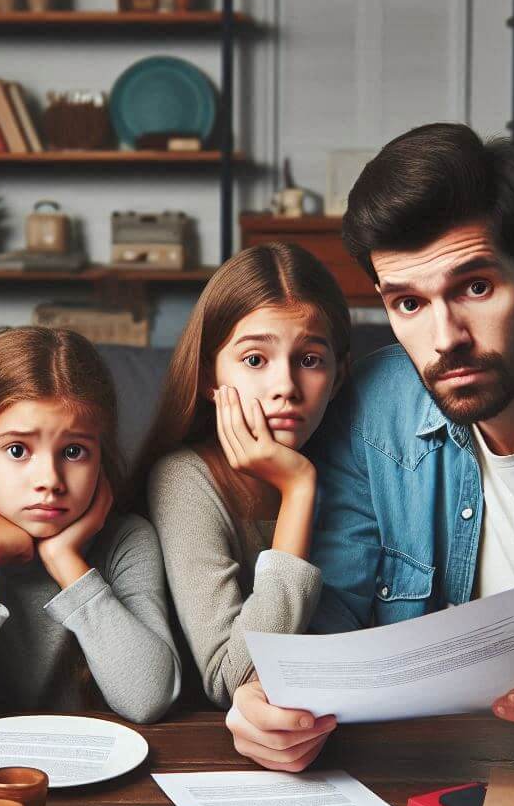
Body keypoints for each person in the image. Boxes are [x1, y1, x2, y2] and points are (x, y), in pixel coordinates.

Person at [227, 122, 514, 773]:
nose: (445, 338)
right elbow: (325, 635)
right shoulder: (370, 409)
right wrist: (270, 709)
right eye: (409, 303)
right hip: (431, 785)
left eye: (475, 288)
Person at [0, 326, 180, 725]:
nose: (49, 479)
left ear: (101, 455)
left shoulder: (127, 543)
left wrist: (65, 560)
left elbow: (148, 697)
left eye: (73, 451)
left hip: (100, 773)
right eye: (17, 450)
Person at [136, 242, 353, 710]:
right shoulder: (184, 479)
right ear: (209, 378)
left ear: (337, 377)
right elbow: (233, 677)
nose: (285, 389)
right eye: (255, 360)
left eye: (310, 360)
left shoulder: (355, 468)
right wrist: (297, 490)